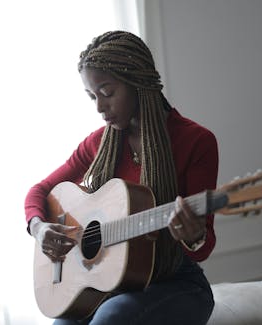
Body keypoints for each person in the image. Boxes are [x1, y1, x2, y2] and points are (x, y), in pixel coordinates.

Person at [24, 30, 219, 325]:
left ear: (138, 83)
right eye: (92, 96)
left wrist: (192, 236)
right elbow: (39, 191)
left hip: (176, 283)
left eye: (107, 92)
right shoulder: (99, 143)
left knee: (111, 318)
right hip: (115, 283)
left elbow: (203, 247)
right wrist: (39, 229)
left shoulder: (195, 141)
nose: (100, 108)